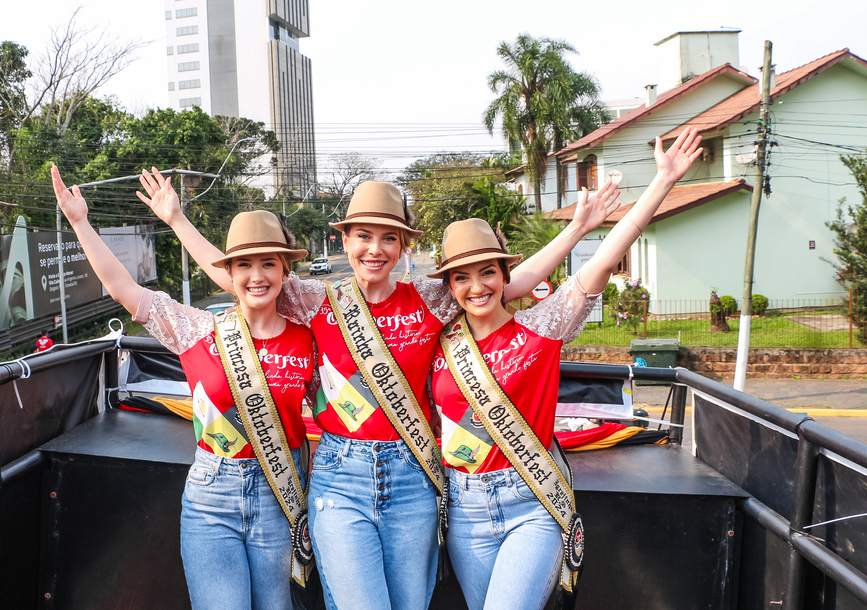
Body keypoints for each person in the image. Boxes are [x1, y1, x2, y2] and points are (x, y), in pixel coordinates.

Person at [137, 171, 619, 610]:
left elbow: (509, 281)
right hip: (338, 477)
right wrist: (177, 220)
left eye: (389, 238)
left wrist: (576, 228)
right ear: (343, 238)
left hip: (412, 476)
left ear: (404, 246)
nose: (375, 249)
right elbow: (241, 275)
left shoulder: (430, 298)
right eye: (363, 235)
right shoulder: (316, 299)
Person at [429, 128, 704, 610]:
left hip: (531, 502)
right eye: (462, 277)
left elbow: (603, 259)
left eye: (487, 272)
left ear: (504, 275)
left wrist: (661, 182)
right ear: (449, 286)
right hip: (464, 507)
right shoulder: (439, 341)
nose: (477, 287)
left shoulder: (542, 327)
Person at [51, 165, 315, 610]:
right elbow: (122, 289)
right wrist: (80, 221)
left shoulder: (309, 337)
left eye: (269, 263)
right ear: (228, 273)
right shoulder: (197, 329)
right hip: (212, 497)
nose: (256, 276)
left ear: (286, 271)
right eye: (243, 265)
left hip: (281, 494)